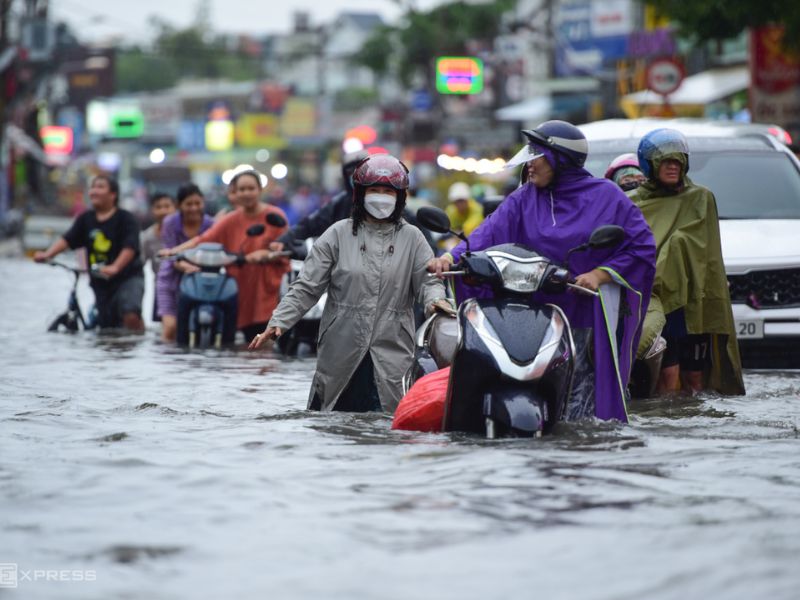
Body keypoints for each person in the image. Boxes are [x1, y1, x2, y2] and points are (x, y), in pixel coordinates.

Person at [428, 120, 656, 422]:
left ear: (560, 160)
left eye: (537, 156)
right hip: (531, 313)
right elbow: (486, 234)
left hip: (584, 314)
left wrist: (600, 275)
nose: (530, 165)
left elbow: (642, 247)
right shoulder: (524, 198)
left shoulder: (607, 197)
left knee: (582, 408)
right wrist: (449, 257)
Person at [249, 154, 448, 413]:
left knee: (388, 423)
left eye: (387, 190)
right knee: (333, 422)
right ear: (360, 194)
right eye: (374, 190)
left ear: (399, 196)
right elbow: (306, 287)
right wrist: (278, 324)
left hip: (393, 348)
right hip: (341, 344)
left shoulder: (413, 238)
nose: (380, 196)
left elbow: (428, 280)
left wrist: (436, 301)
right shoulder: (337, 234)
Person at [628, 128, 745, 395]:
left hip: (692, 301)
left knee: (695, 377)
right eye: (666, 161)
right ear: (650, 164)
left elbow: (706, 250)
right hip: (656, 301)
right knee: (665, 376)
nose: (673, 167)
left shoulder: (701, 198)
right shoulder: (632, 203)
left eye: (678, 161)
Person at [161, 170, 289, 342]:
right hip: (242, 290)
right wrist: (174, 251)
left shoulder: (275, 216)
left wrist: (266, 254)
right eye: (242, 189)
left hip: (268, 290)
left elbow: (285, 247)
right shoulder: (230, 219)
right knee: (246, 343)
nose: (246, 193)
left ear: (260, 190)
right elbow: (203, 239)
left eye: (251, 188)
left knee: (267, 343)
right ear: (235, 193)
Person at [34, 174, 145, 331]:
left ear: (113, 194)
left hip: (127, 278)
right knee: (106, 325)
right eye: (93, 187)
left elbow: (130, 248)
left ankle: (136, 345)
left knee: (130, 313)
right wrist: (48, 254)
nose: (94, 191)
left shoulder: (126, 219)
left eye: (100, 187)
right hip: (99, 279)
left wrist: (115, 268)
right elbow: (68, 239)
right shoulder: (85, 219)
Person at [156, 183, 215, 341]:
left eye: (197, 203)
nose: (194, 208)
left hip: (201, 280)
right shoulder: (170, 223)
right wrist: (184, 266)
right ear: (179, 205)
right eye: (189, 204)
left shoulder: (211, 224)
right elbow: (170, 254)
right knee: (170, 328)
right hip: (171, 279)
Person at [140, 192, 176, 322]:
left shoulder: (184, 230)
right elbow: (139, 265)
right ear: (152, 211)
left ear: (175, 208)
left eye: (167, 206)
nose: (163, 211)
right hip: (161, 288)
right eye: (158, 207)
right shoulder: (147, 237)